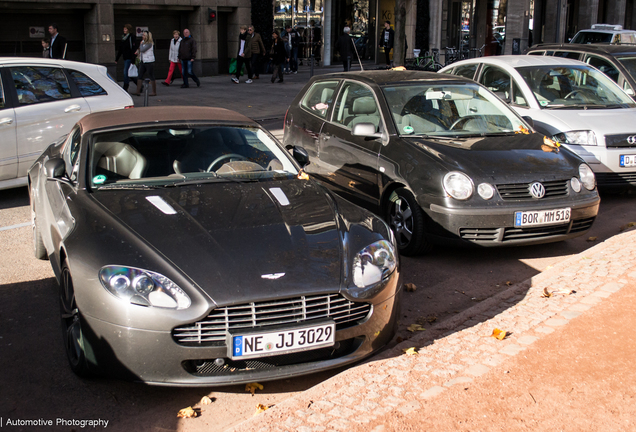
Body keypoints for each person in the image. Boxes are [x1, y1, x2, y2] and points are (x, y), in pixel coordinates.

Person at [116, 24, 138, 92]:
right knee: (129, 73)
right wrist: (117, 59)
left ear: (128, 30)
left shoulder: (132, 37)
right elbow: (120, 49)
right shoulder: (123, 38)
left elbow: (134, 48)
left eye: (125, 29)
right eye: (124, 29)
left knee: (126, 72)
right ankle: (139, 84)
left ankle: (126, 86)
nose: (124, 30)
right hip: (125, 57)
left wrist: (133, 59)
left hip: (129, 58)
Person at [134, 30, 157, 96]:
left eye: (144, 35)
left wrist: (140, 45)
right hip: (143, 61)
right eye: (142, 35)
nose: (142, 36)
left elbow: (142, 50)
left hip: (149, 61)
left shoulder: (149, 43)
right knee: (140, 75)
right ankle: (138, 91)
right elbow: (140, 50)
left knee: (151, 75)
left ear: (147, 36)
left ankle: (154, 92)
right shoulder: (143, 42)